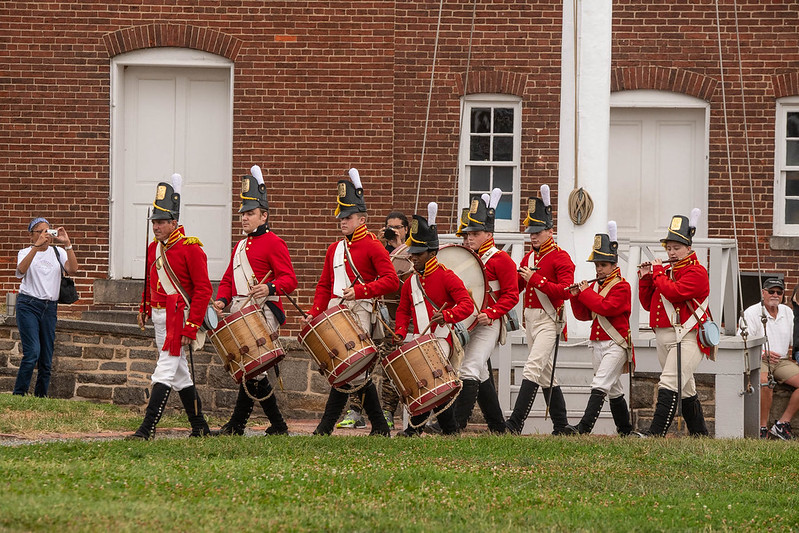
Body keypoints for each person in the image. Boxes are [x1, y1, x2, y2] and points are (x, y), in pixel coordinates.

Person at [302, 168, 399, 436]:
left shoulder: (372, 245)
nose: (342, 221)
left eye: (348, 217)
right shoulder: (334, 248)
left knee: (351, 371)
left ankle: (324, 428)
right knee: (347, 371)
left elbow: (391, 281)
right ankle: (379, 426)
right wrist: (314, 312)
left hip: (359, 312)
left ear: (362, 218)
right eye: (341, 217)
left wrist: (361, 291)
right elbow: (324, 285)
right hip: (335, 312)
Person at [212, 165, 298, 436]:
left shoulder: (274, 243)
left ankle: (238, 425)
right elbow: (228, 280)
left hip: (263, 312)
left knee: (254, 370)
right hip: (240, 310)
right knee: (253, 371)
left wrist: (269, 286)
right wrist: (221, 301)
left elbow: (290, 280)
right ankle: (277, 425)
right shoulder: (239, 246)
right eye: (243, 214)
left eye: (250, 214)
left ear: (264, 215)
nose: (244, 218)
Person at [129, 174, 213, 440]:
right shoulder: (154, 248)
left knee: (164, 370)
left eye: (161, 222)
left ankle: (147, 428)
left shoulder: (191, 249)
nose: (156, 226)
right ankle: (200, 427)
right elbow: (151, 283)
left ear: (174, 223)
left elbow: (203, 290)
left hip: (179, 318)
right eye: (154, 221)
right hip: (159, 317)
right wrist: (144, 307)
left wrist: (192, 326)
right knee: (180, 375)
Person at [393, 202, 474, 436]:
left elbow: (467, 305)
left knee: (427, 381)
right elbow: (403, 311)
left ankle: (413, 429)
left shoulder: (447, 277)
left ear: (431, 252)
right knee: (430, 384)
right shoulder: (411, 282)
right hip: (421, 339)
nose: (413, 257)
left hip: (442, 339)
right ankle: (449, 430)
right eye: (412, 253)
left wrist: (447, 315)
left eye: (418, 254)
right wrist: (399, 332)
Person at [506, 185, 576, 435]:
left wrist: (537, 281)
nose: (533, 237)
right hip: (530, 320)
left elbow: (567, 292)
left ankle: (515, 423)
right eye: (530, 232)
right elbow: (516, 287)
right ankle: (561, 425)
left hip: (550, 319)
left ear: (550, 230)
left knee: (533, 367)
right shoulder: (528, 259)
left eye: (537, 231)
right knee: (546, 375)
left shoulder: (561, 258)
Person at [637, 209, 712, 437]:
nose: (671, 252)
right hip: (664, 336)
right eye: (668, 248)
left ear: (689, 248)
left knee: (669, 382)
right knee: (686, 387)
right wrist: (645, 279)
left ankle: (655, 433)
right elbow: (648, 305)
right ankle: (699, 433)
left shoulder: (697, 272)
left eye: (676, 248)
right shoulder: (665, 272)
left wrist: (658, 272)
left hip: (688, 336)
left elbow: (674, 294)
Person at [455, 188, 519, 433]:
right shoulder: (467, 256)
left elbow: (512, 295)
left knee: (469, 367)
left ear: (489, 234)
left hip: (489, 323)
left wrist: (492, 313)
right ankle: (498, 426)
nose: (469, 238)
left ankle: (455, 425)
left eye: (475, 233)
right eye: (467, 233)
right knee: (480, 372)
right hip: (469, 321)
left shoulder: (501, 259)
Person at [338, 211, 408, 430]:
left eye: (397, 227)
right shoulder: (376, 247)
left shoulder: (410, 253)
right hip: (371, 310)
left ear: (406, 229)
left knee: (389, 367)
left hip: (394, 316)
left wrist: (397, 247)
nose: (392, 231)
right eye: (389, 227)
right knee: (359, 361)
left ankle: (386, 412)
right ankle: (356, 410)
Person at [568, 222, 634, 436]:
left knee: (601, 383)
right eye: (597, 265)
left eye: (603, 265)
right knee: (614, 389)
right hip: (597, 342)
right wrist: (576, 297)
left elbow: (606, 308)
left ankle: (584, 428)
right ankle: (625, 430)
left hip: (616, 343)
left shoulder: (622, 286)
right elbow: (585, 315)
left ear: (614, 264)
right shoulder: (597, 286)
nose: (598, 269)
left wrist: (586, 293)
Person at [12, 217, 79, 396]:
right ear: (31, 236)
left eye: (47, 231)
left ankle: (40, 397)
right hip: (28, 305)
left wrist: (68, 244)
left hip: (49, 307)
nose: (45, 235)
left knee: (46, 358)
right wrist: (36, 247)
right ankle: (19, 394)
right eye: (40, 232)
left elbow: (73, 269)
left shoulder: (58, 252)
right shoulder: (25, 251)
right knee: (32, 352)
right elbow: (21, 271)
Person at [740, 278, 799, 440]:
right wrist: (761, 353)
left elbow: (796, 339)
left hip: (782, 361)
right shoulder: (751, 312)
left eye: (779, 292)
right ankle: (762, 428)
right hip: (759, 359)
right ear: (763, 292)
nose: (775, 295)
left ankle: (781, 424)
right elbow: (742, 340)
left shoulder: (788, 312)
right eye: (771, 291)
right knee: (766, 383)